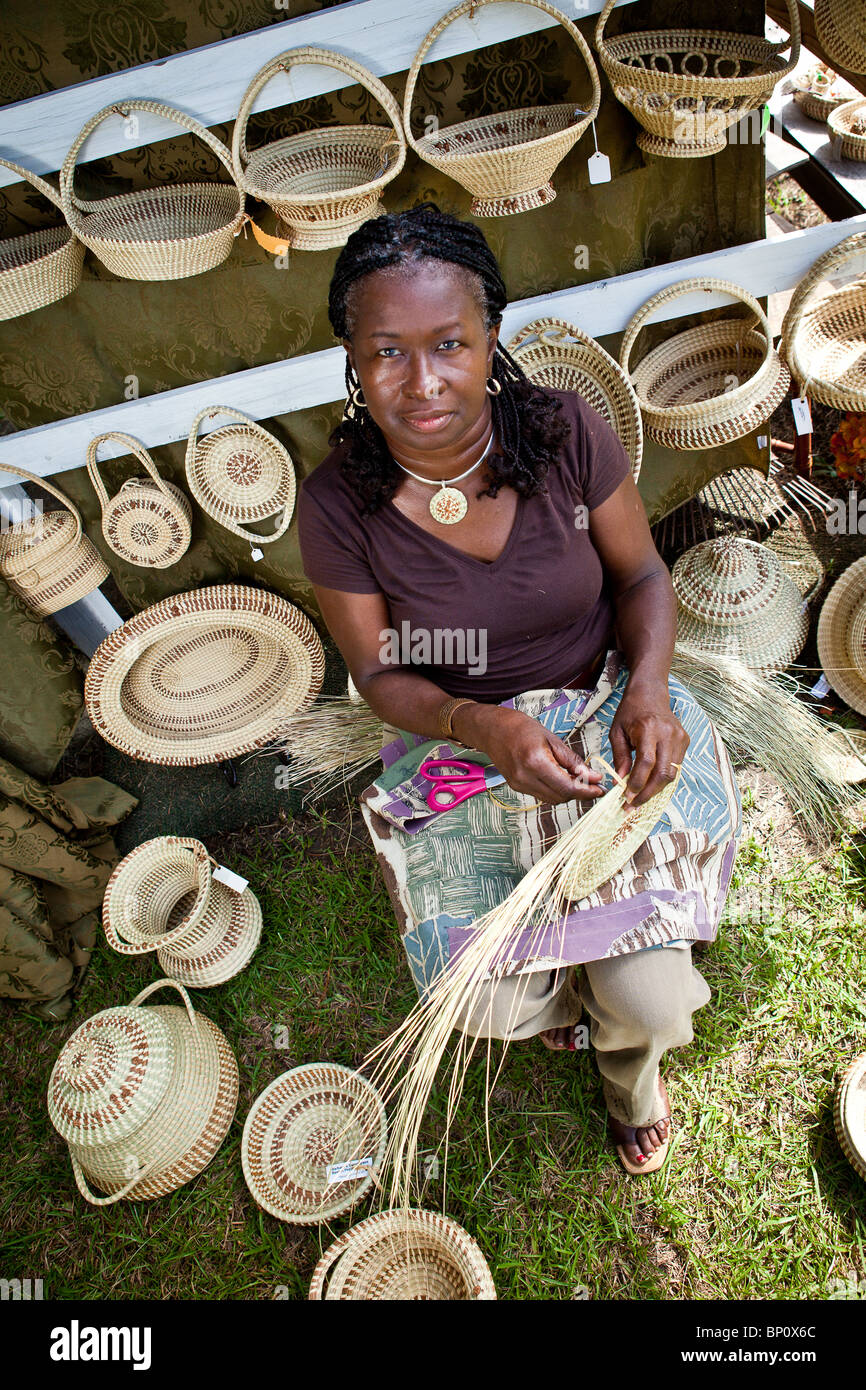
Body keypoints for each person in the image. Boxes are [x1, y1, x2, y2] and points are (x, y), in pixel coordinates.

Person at [297, 204, 741, 1175]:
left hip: (601, 718)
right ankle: (568, 1008)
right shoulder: (337, 503)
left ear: (489, 334)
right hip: (461, 749)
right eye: (385, 352)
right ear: (350, 356)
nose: (421, 383)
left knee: (653, 1003)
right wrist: (477, 724)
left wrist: (648, 691)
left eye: (449, 343)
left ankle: (627, 1073)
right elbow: (377, 671)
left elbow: (640, 579)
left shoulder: (562, 433)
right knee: (495, 1003)